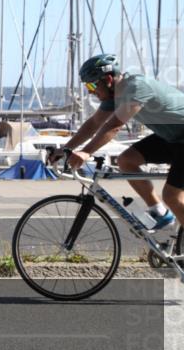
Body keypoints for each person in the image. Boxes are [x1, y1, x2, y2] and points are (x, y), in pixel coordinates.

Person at [55, 53, 183, 231]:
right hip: (173, 138)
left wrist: (86, 152)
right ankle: (160, 213)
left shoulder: (136, 87)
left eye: (92, 85)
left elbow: (114, 126)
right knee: (126, 161)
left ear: (108, 79)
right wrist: (65, 149)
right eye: (87, 86)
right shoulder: (114, 96)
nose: (90, 91)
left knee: (172, 196)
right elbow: (93, 123)